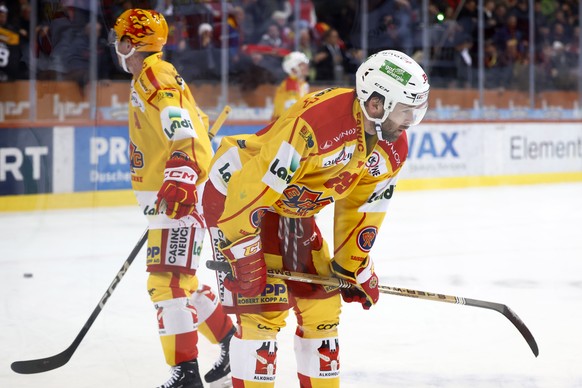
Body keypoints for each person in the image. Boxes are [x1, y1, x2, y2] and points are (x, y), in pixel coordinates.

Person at [202, 50, 430, 386]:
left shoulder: (390, 147)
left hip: (293, 209)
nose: (411, 120)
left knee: (322, 310)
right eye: (405, 110)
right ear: (376, 104)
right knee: (263, 312)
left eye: (416, 110)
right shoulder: (317, 127)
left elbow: (363, 207)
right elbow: (253, 188)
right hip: (238, 202)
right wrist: (243, 252)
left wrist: (354, 266)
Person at [110, 9, 235, 388]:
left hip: (178, 198)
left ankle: (186, 374)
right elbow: (190, 120)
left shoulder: (153, 74)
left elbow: (178, 122)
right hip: (170, 199)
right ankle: (230, 340)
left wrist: (181, 169)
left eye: (120, 37)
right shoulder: (155, 74)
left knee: (167, 284)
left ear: (130, 42)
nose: (116, 44)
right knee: (184, 282)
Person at [271, 51, 309, 121]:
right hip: (282, 126)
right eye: (302, 65)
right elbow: (292, 111)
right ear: (293, 69)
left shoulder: (302, 84)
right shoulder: (291, 84)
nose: (306, 67)